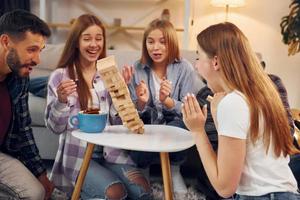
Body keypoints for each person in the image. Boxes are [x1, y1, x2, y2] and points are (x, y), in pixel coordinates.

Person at [182, 22, 300, 199]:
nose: (196, 66)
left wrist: (198, 132)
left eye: (198, 57)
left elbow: (224, 188)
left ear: (215, 62)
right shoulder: (263, 94)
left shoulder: (233, 103)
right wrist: (218, 116)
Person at [45, 14, 151, 200]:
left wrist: (127, 96)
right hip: (78, 157)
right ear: (76, 42)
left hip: (112, 153)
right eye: (87, 38)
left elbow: (119, 122)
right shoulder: (60, 76)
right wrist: (61, 100)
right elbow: (55, 128)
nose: (94, 44)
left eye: (98, 38)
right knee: (116, 194)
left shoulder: (108, 74)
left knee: (143, 191)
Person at [122, 18, 203, 196]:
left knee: (180, 126)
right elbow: (132, 111)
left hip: (174, 120)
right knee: (139, 128)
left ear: (172, 43)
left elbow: (187, 108)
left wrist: (167, 101)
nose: (155, 48)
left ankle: (174, 171)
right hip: (148, 121)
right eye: (150, 42)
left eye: (162, 42)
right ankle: (143, 170)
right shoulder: (138, 68)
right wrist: (142, 102)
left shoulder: (184, 68)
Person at [0, 9, 54, 200]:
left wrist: (41, 173)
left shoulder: (19, 77)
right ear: (6, 42)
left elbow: (23, 129)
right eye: (31, 50)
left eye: (40, 51)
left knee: (36, 193)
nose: (37, 60)